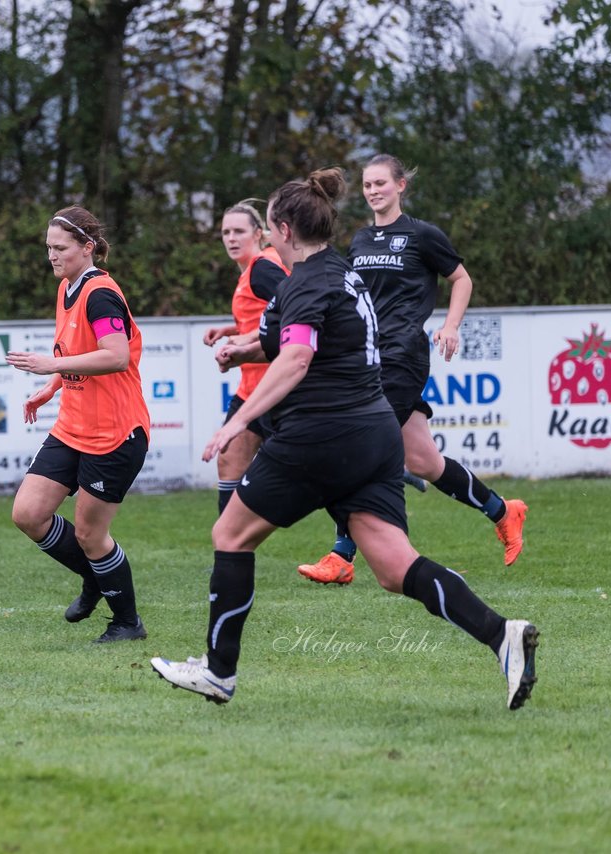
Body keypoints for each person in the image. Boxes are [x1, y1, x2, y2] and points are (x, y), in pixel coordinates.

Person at [150, 168, 539, 710]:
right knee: (395, 567)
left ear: (282, 230)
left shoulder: (306, 281)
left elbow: (299, 356)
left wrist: (239, 421)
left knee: (230, 536)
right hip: (374, 431)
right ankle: (504, 636)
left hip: (321, 433)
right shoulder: (337, 270)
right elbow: (286, 339)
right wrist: (240, 350)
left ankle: (219, 672)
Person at [298, 154, 527, 585]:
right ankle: (503, 510)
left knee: (358, 445)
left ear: (401, 185)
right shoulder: (361, 241)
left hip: (404, 355)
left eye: (381, 183)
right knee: (424, 460)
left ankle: (342, 555)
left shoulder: (422, 235)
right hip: (367, 357)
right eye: (367, 185)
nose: (373, 191)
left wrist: (451, 326)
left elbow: (462, 279)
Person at [7, 205, 150, 643]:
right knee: (28, 514)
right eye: (48, 248)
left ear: (87, 248)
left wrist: (51, 363)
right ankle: (95, 576)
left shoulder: (100, 293)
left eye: (60, 248)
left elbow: (115, 355)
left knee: (91, 534)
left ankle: (127, 622)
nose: (52, 256)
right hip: (73, 426)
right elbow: (76, 351)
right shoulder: (67, 286)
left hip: (114, 433)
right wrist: (53, 384)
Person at [202, 200, 288, 516]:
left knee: (313, 473)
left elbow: (293, 311)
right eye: (226, 232)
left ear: (258, 233)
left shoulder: (262, 268)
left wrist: (247, 341)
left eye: (239, 231)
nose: (231, 238)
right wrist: (231, 330)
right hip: (251, 388)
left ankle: (373, 475)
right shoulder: (253, 271)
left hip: (275, 389)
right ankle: (229, 547)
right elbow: (267, 317)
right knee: (229, 459)